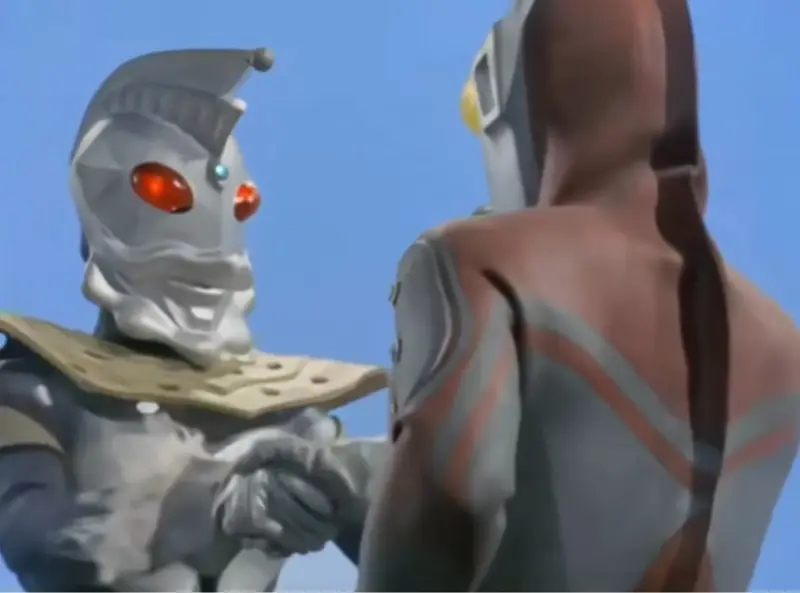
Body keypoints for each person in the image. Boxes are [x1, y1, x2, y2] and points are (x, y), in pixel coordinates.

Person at [357, 0, 800, 590]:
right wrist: (355, 492)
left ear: (523, 96)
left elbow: (451, 506)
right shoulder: (783, 344)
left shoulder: (480, 266)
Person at [0, 47, 386, 592]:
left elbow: (416, 549)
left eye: (242, 202)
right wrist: (212, 503)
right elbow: (42, 542)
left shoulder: (282, 413)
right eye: (167, 193)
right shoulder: (33, 388)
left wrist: (374, 479)